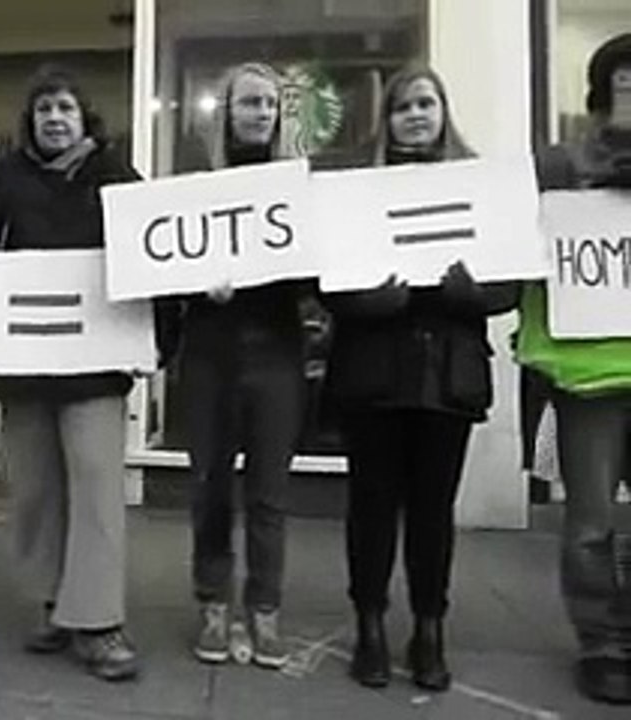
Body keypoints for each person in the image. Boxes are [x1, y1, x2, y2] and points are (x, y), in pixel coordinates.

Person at [323, 65, 518, 692]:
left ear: (443, 112)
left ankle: (429, 627)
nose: (415, 115)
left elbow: (511, 284)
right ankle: (371, 625)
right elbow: (326, 280)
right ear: (389, 118)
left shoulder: (482, 184)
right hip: (373, 373)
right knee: (371, 507)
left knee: (434, 511)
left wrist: (474, 293)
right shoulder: (357, 185)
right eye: (404, 106)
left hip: (447, 378)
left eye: (426, 103)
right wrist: (363, 303)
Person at [0, 66, 140, 682]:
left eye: (65, 107)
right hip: (27, 367)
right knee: (35, 491)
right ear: (30, 122)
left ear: (84, 116)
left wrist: (151, 338)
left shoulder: (115, 176)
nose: (55, 119)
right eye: (43, 110)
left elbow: (150, 253)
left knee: (95, 490)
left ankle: (97, 621)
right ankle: (50, 602)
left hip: (95, 367)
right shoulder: (4, 179)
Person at [180, 63, 308, 670]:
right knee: (208, 486)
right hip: (208, 354)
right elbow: (164, 272)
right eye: (248, 102)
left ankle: (264, 610)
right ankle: (213, 604)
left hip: (277, 352)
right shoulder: (196, 189)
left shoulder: (296, 188)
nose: (259, 113)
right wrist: (198, 286)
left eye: (268, 104)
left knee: (269, 492)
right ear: (225, 112)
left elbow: (316, 276)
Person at [516, 33, 631, 705]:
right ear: (599, 93)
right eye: (623, 83)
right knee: (591, 522)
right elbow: (516, 241)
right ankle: (603, 642)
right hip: (589, 375)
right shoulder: (558, 166)